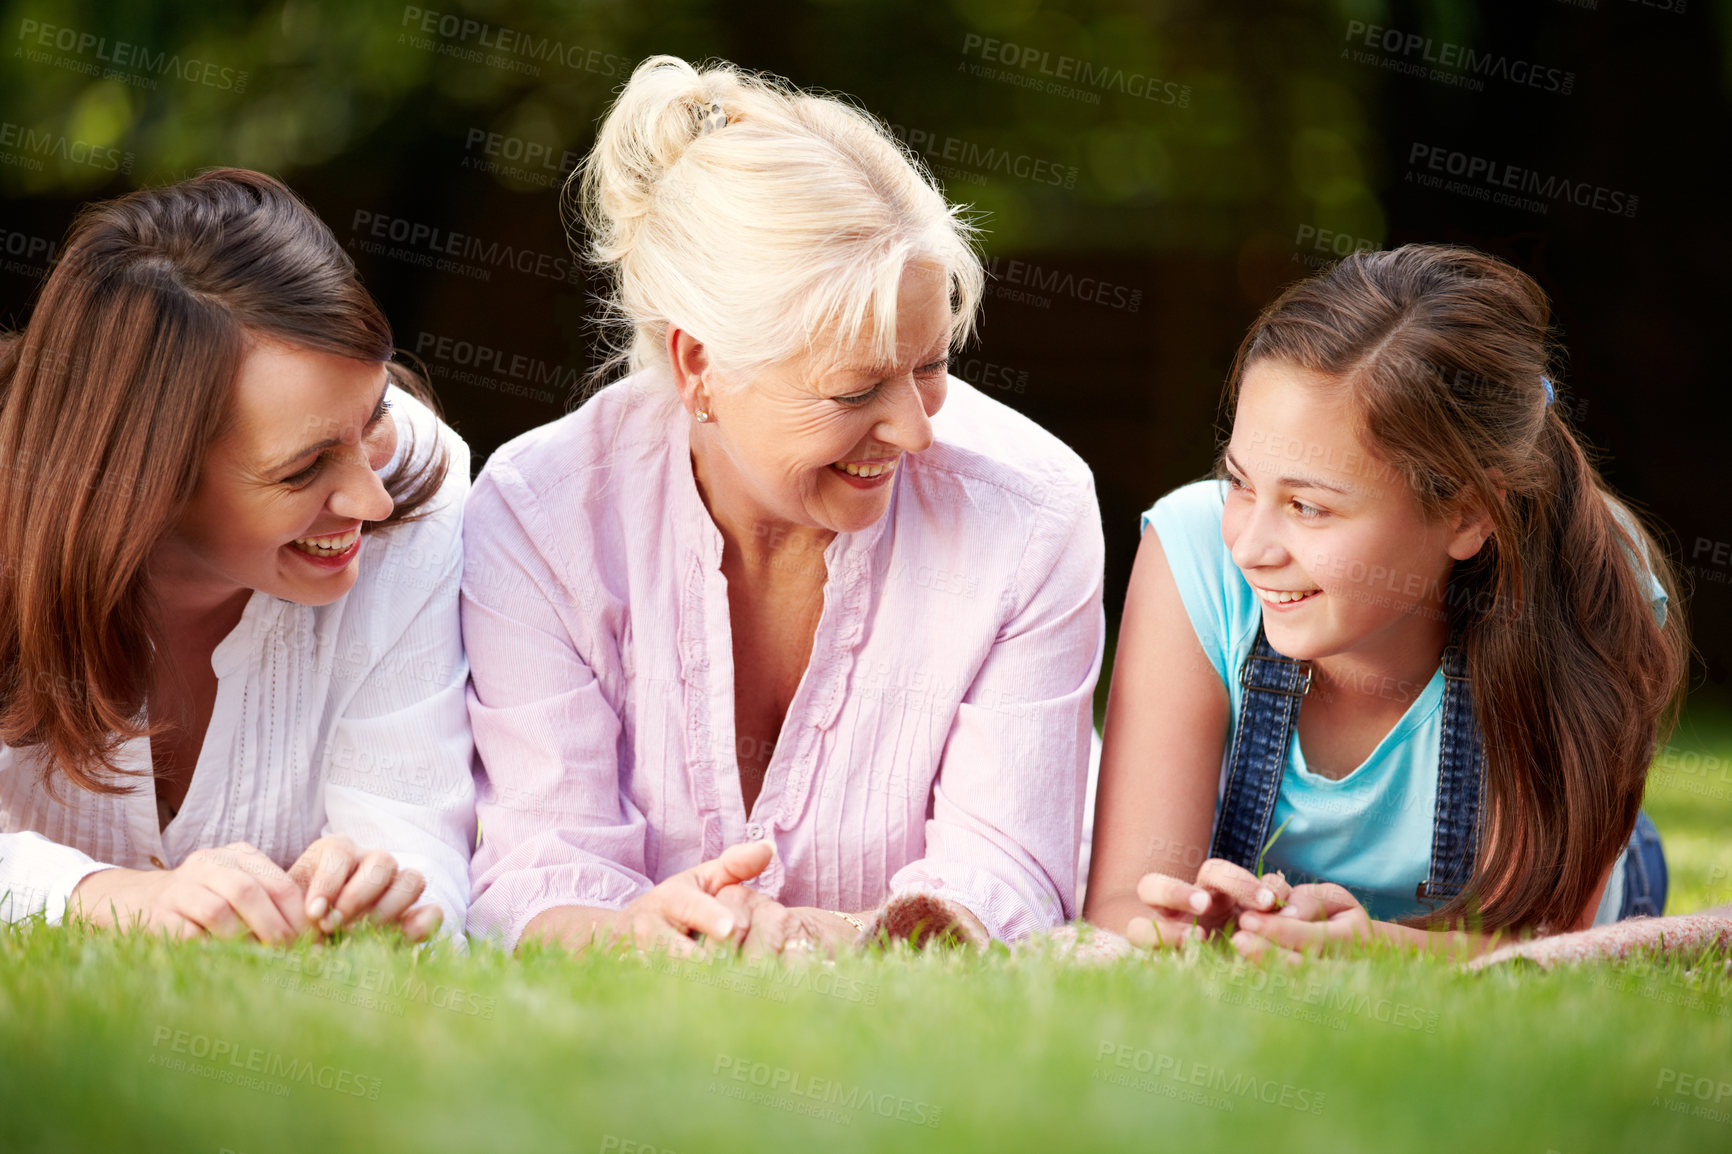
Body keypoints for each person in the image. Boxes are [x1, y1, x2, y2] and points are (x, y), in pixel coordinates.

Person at [462, 55, 1105, 956]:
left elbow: (1004, 875)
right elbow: (538, 864)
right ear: (699, 368)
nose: (915, 432)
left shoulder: (1032, 510)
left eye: (931, 366)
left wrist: (806, 940)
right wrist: (635, 939)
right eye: (855, 393)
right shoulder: (540, 516)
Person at [1085, 244, 1684, 958]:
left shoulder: (1591, 578)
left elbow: (1538, 945)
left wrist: (1370, 949)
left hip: (1560, 899)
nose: (1250, 546)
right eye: (1241, 482)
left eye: (1308, 506)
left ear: (1466, 515)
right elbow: (1124, 898)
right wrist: (1187, 928)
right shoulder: (1194, 554)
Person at [0, 169, 476, 945]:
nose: (372, 498)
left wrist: (385, 884)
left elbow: (416, 824)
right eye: (303, 469)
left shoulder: (418, 495)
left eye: (376, 416)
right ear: (146, 481)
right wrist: (106, 896)